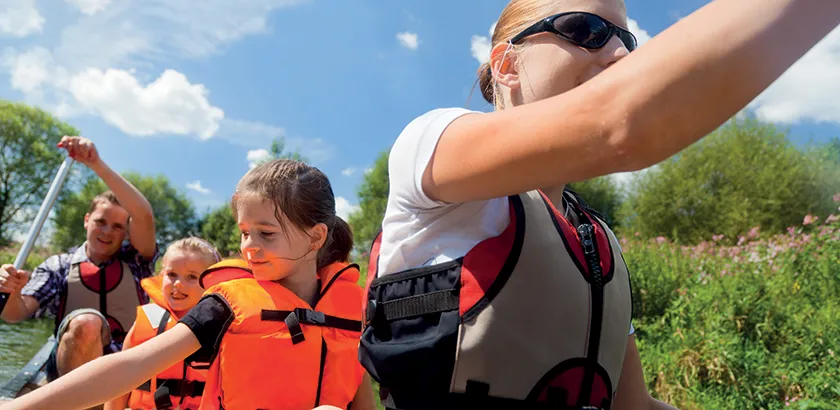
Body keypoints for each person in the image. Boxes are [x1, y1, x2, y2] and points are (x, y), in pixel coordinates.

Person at [357, 1, 840, 409]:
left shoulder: (598, 242)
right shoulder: (429, 144)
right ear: (507, 65)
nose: (619, 55)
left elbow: (636, 404)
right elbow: (621, 124)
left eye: (627, 43)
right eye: (585, 30)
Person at [0, 159, 377, 410]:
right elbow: (130, 365)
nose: (249, 246)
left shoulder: (350, 311)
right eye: (245, 232)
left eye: (266, 233)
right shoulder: (225, 305)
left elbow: (361, 401)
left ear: (316, 237)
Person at [0, 136, 158, 383]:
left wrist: (96, 165)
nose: (107, 232)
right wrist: (12, 291)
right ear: (86, 220)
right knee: (87, 323)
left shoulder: (137, 261)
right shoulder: (58, 266)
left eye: (117, 226)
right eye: (100, 222)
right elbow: (15, 313)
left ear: (126, 232)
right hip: (69, 364)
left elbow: (144, 215)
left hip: (124, 365)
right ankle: (75, 398)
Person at [104, 237, 221, 410]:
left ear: (211, 282)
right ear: (161, 275)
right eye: (171, 274)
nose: (178, 284)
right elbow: (120, 378)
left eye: (191, 277)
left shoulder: (222, 327)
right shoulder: (148, 320)